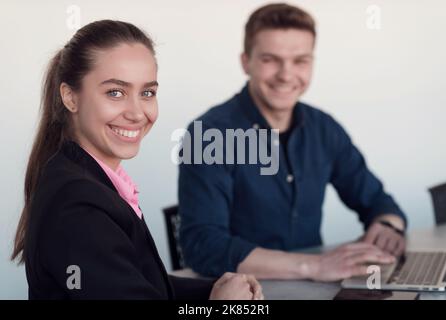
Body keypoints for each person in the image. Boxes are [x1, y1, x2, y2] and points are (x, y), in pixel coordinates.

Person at [11, 20, 263, 300]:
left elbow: (136, 282)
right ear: (70, 97)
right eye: (115, 92)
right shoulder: (78, 203)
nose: (137, 112)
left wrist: (213, 288)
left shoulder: (87, 177)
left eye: (147, 93)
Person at [178, 3, 407, 281]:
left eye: (300, 60)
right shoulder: (208, 135)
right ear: (245, 61)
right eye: (270, 59)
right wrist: (313, 266)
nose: (286, 75)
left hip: (316, 290)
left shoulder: (324, 128)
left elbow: (378, 201)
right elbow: (203, 246)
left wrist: (387, 226)